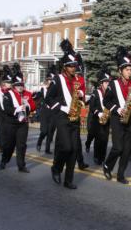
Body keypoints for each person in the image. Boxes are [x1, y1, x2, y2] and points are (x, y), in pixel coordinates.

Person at [47, 39, 86, 189]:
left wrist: (82, 94)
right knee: (66, 147)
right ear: (64, 67)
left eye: (74, 66)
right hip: (62, 117)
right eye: (70, 66)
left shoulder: (77, 80)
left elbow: (81, 97)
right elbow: (48, 99)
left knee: (74, 150)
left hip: (74, 117)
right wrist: (62, 108)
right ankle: (56, 168)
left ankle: (68, 180)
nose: (73, 68)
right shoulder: (58, 79)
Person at [102, 46, 131, 184]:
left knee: (126, 150)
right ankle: (107, 165)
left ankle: (120, 175)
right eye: (127, 69)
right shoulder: (113, 84)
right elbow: (106, 101)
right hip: (117, 119)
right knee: (118, 147)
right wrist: (117, 109)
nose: (129, 72)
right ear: (120, 71)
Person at [0, 63, 36, 172]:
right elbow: (6, 108)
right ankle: (4, 160)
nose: (20, 87)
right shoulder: (8, 94)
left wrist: (27, 106)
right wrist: (17, 109)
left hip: (23, 124)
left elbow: (33, 106)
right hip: (11, 123)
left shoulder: (27, 94)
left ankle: (21, 165)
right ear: (14, 86)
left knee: (21, 145)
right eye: (18, 85)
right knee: (9, 145)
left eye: (22, 85)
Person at [88, 65, 111, 165]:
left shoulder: (110, 93)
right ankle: (97, 156)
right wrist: (99, 113)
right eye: (105, 82)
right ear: (101, 83)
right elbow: (92, 106)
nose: (107, 84)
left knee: (105, 139)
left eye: (108, 82)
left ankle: (102, 157)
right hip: (97, 120)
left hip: (107, 119)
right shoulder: (96, 92)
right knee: (98, 139)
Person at [36, 65, 56, 154]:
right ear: (46, 80)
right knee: (44, 131)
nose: (50, 82)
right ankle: (39, 141)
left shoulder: (56, 90)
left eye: (52, 80)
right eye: (49, 80)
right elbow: (37, 99)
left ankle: (47, 149)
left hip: (53, 113)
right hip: (44, 112)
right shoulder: (42, 90)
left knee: (50, 132)